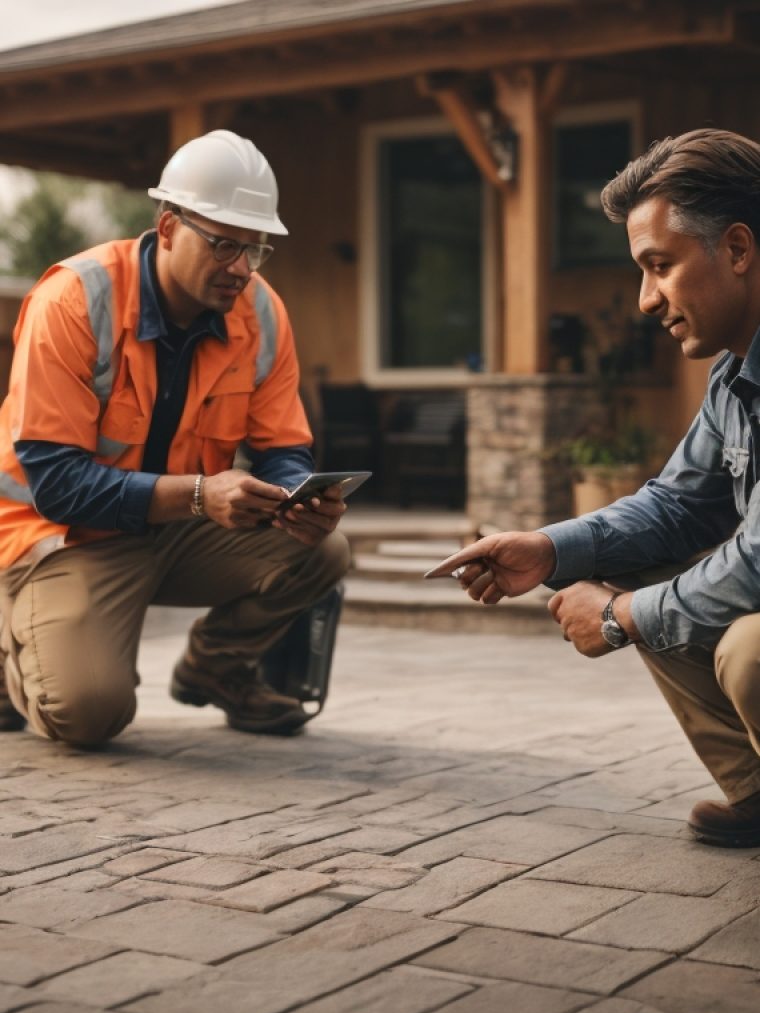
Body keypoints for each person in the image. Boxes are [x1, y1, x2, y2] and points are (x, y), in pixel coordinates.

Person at [429, 127, 760, 849]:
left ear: (737, 250)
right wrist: (548, 551)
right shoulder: (735, 377)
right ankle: (757, 792)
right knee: (623, 566)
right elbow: (676, 505)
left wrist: (621, 619)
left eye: (659, 266)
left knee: (753, 649)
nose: (645, 300)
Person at [0, 129, 351, 747]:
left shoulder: (262, 313)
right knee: (85, 713)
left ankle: (216, 671)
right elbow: (55, 483)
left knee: (324, 551)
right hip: (58, 535)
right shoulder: (75, 301)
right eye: (223, 246)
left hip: (181, 527)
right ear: (166, 230)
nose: (240, 268)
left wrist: (299, 497)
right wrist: (196, 495)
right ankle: (12, 649)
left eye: (255, 249)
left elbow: (283, 447)